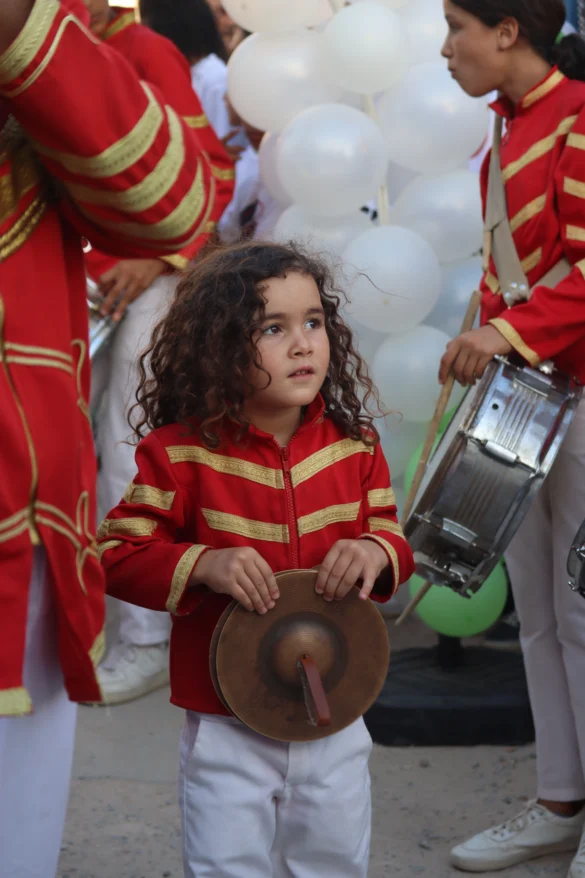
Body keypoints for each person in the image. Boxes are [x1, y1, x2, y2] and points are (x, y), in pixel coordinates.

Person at [97, 240, 415, 877]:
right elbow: (113, 552)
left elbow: (391, 534)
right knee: (226, 865)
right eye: (273, 328)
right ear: (217, 347)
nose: (303, 344)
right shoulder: (178, 453)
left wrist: (375, 550)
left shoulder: (358, 447)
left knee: (332, 862)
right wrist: (201, 564)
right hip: (226, 720)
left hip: (337, 709)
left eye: (314, 323)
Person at [0, 0, 219, 874]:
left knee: (134, 439)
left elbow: (183, 197)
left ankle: (143, 636)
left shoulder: (104, 40)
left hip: (19, 488)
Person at [439, 1, 585, 875]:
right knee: (536, 610)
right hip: (526, 391)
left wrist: (508, 332)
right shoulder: (508, 128)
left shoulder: (576, 118)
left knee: (579, 609)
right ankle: (559, 800)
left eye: (457, 24)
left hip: (575, 388)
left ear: (507, 30)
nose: (445, 46)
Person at [82, 0, 235, 705]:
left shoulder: (145, 50)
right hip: (69, 287)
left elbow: (211, 172)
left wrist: (158, 258)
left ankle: (143, 640)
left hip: (137, 288)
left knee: (125, 449)